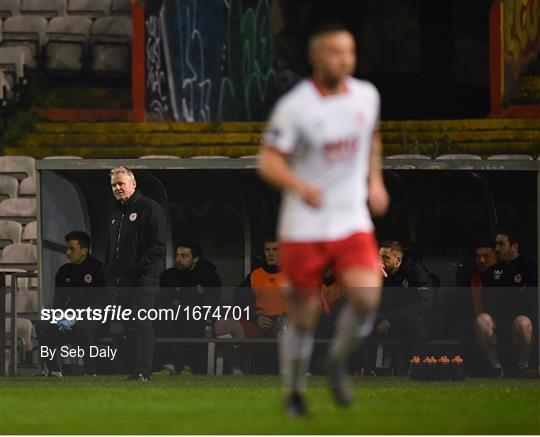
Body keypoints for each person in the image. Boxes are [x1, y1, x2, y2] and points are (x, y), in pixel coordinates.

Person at [258, 24, 389, 416]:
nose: (344, 59)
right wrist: (299, 185)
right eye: (335, 52)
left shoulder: (367, 95)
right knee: (303, 317)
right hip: (305, 225)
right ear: (315, 58)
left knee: (367, 299)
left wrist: (376, 182)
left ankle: (336, 360)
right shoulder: (295, 106)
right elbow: (268, 160)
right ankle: (294, 391)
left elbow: (373, 137)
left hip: (351, 218)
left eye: (349, 52)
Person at [103, 167, 166, 382]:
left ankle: (143, 371)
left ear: (133, 184)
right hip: (121, 282)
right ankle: (133, 371)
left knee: (142, 325)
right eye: (114, 185)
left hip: (143, 281)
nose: (118, 188)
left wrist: (140, 269)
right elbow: (111, 246)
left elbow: (158, 246)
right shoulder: (114, 212)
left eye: (121, 183)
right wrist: (109, 271)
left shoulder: (150, 208)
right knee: (129, 328)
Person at [36, 231, 108, 377]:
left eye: (72, 249)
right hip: (69, 320)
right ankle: (54, 371)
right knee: (42, 325)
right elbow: (59, 302)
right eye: (67, 249)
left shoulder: (98, 269)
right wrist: (58, 316)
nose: (68, 252)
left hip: (96, 320)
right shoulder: (64, 272)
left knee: (83, 324)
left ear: (84, 251)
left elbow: (105, 300)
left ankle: (91, 373)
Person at [213, 237, 288, 375]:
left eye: (275, 250)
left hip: (282, 324)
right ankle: (236, 368)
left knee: (287, 324)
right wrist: (255, 318)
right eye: (267, 250)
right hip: (258, 325)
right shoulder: (255, 275)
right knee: (221, 324)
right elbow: (240, 303)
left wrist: (282, 317)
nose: (270, 253)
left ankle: (286, 371)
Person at [475, 229, 538, 378]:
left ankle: (523, 366)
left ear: (514, 247)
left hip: (522, 317)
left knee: (523, 323)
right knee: (481, 320)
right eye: (496, 245)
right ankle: (495, 367)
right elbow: (488, 300)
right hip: (498, 318)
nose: (497, 249)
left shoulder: (530, 269)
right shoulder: (492, 271)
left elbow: (532, 300)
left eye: (501, 244)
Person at [372, 241, 433, 362]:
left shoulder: (417, 272)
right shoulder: (380, 273)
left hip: (418, 321)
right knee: (365, 318)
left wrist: (391, 317)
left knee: (416, 319)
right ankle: (364, 370)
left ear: (398, 261)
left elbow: (423, 304)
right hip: (389, 319)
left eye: (385, 258)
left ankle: (418, 366)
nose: (380, 261)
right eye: (379, 257)